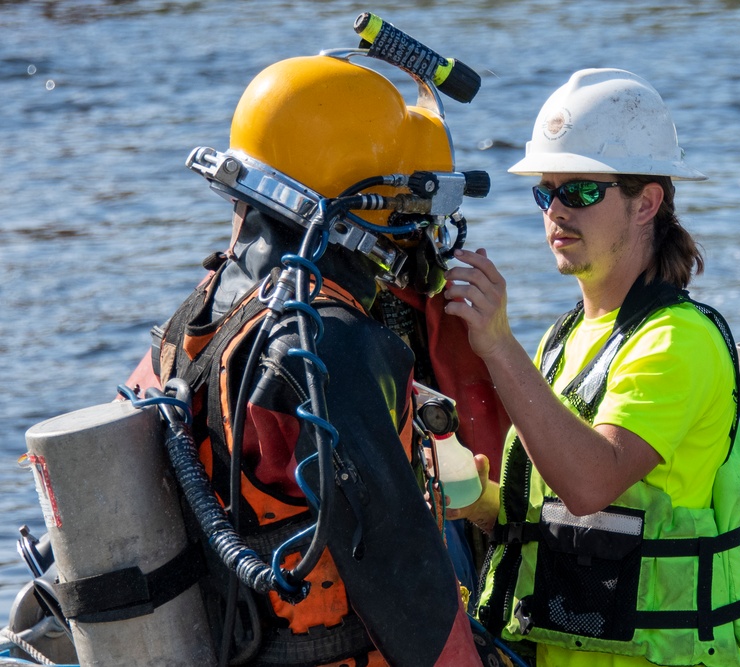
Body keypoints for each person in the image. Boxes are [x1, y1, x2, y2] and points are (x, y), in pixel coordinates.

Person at [123, 50, 496, 665]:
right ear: (366, 200)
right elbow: (405, 581)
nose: (421, 237)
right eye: (412, 210)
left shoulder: (196, 318)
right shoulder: (329, 339)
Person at [443, 68, 740, 666]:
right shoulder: (563, 339)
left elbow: (589, 484)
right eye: (545, 191)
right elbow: (564, 514)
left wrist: (498, 344)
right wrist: (480, 501)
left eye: (580, 190)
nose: (556, 211)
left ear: (647, 203)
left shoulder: (677, 340)